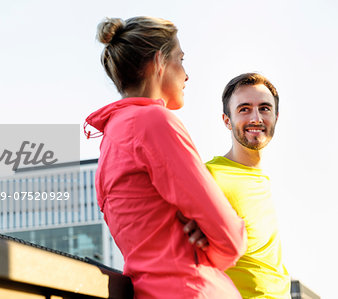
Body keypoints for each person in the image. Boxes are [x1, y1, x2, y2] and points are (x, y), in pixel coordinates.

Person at [84, 16, 246, 298]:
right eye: (180, 59)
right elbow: (231, 238)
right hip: (191, 288)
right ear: (159, 62)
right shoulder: (154, 122)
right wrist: (207, 238)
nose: (186, 74)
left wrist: (202, 228)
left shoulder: (111, 138)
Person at [205, 73, 290, 298]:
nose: (256, 118)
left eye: (264, 108)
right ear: (227, 120)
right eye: (244, 109)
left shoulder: (263, 178)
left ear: (276, 117)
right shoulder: (209, 176)